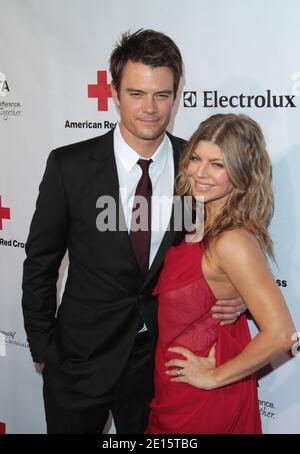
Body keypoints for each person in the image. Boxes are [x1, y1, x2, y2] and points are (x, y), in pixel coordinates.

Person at [21, 30, 246, 434]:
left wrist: (241, 299)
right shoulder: (69, 166)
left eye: (162, 94)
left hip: (161, 364)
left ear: (176, 95)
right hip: (78, 361)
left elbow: (228, 247)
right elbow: (40, 264)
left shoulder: (196, 168)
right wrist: (44, 348)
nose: (150, 108)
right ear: (115, 93)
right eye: (137, 93)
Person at [145, 113, 295, 434]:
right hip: (172, 387)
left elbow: (282, 334)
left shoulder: (232, 241)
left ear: (241, 172)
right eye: (196, 158)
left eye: (218, 164)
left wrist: (214, 376)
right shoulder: (192, 218)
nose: (200, 172)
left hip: (203, 399)